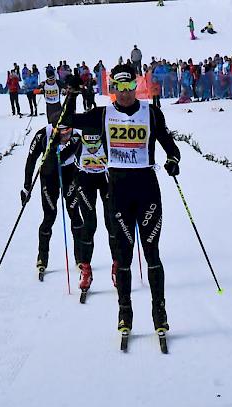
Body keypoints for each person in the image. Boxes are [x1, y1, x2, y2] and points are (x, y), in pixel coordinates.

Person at [58, 63, 181, 335]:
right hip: (118, 193)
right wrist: (72, 93)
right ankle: (124, 313)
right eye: (118, 87)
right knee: (123, 256)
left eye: (129, 86)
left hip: (147, 189)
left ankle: (159, 313)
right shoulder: (103, 114)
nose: (124, 93)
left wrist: (173, 161)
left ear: (136, 86)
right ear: (112, 88)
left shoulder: (152, 113)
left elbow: (171, 147)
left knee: (152, 253)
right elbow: (64, 122)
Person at [57, 130, 119, 294]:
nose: (92, 147)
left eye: (95, 142)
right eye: (89, 142)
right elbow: (60, 158)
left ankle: (117, 266)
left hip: (106, 179)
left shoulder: (106, 135)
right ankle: (86, 270)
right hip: (85, 179)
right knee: (90, 223)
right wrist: (55, 147)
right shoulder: (77, 139)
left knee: (112, 222)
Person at [22, 121, 83, 279]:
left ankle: (81, 257)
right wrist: (26, 186)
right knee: (49, 217)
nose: (65, 135)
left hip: (70, 175)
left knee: (75, 215)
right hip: (49, 176)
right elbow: (31, 158)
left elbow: (74, 154)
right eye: (61, 132)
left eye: (67, 131)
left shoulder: (76, 134)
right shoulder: (42, 134)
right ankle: (42, 258)